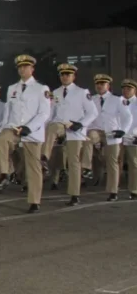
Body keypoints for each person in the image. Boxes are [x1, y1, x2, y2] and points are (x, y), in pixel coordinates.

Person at [0, 54, 51, 213]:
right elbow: (8, 111)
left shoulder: (41, 89)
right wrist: (5, 127)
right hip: (14, 127)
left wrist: (29, 127)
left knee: (33, 168)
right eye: (20, 67)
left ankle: (34, 201)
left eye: (26, 66)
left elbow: (44, 113)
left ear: (32, 69)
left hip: (32, 131)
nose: (22, 69)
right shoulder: (12, 88)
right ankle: (5, 173)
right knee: (2, 139)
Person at [40, 64, 97, 206]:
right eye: (62, 74)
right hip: (60, 124)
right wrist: (42, 126)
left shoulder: (82, 92)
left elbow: (92, 112)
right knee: (52, 127)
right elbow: (50, 113)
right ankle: (44, 157)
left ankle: (74, 194)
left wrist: (81, 124)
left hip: (75, 128)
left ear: (73, 76)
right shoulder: (56, 92)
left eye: (68, 74)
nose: (65, 77)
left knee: (73, 162)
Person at [83, 74, 132, 201]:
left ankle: (113, 191)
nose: (99, 86)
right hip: (96, 130)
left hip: (112, 133)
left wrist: (123, 130)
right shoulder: (91, 99)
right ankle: (87, 167)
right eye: (98, 84)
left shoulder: (117, 99)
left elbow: (128, 117)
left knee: (112, 162)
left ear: (108, 86)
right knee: (87, 138)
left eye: (102, 84)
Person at [120, 78, 137, 200]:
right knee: (115, 164)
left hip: (133, 137)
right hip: (118, 138)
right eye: (124, 88)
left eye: (129, 88)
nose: (126, 91)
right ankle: (113, 190)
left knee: (134, 165)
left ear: (134, 90)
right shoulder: (118, 102)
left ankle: (134, 190)